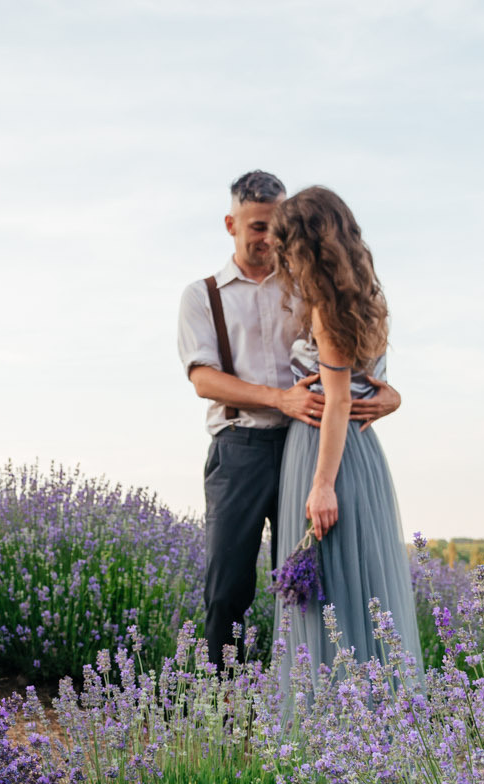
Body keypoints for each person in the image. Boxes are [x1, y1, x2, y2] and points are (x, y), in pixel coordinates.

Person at [178, 171, 400, 668]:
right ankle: (223, 702)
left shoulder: (309, 283)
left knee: (310, 583)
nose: (268, 239)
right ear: (231, 223)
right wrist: (281, 400)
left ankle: (303, 692)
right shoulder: (203, 295)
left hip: (310, 446)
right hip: (242, 446)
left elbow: (347, 363)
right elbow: (203, 381)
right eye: (257, 227)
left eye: (275, 227)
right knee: (227, 587)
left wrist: (390, 395)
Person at [270, 185, 421, 679]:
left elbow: (337, 400)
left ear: (305, 249)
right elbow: (370, 385)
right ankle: (373, 713)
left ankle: (330, 715)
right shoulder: (367, 298)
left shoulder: (325, 309)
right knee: (362, 581)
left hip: (325, 451)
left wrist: (321, 484)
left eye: (286, 248)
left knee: (328, 584)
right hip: (361, 450)